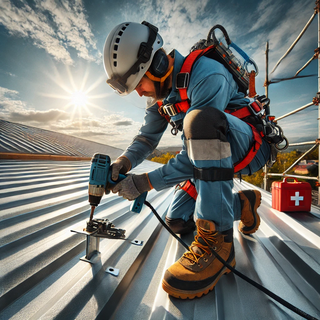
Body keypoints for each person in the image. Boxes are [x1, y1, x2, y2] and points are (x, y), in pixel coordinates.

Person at [103, 21, 271, 299]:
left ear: (157, 64)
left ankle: (218, 246)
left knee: (200, 119)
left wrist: (144, 183)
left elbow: (195, 155)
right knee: (178, 220)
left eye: (139, 83)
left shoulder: (207, 75)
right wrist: (124, 162)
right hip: (210, 155)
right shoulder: (160, 94)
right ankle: (241, 204)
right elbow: (147, 139)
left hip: (249, 144)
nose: (140, 92)